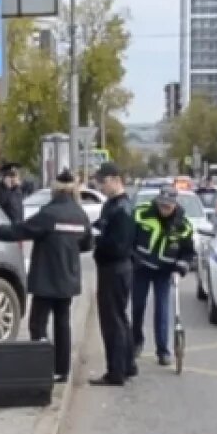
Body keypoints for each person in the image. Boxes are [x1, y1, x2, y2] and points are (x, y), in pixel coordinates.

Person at [0, 168, 93, 383]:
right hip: (67, 278)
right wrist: (68, 248)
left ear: (55, 191)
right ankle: (63, 370)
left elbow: (20, 231)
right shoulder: (80, 215)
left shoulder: (48, 214)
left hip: (46, 278)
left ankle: (41, 365)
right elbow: (87, 244)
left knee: (38, 323)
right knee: (63, 323)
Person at [131, 187, 195, 367]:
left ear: (175, 205)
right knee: (137, 307)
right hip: (140, 267)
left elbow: (188, 253)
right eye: (161, 205)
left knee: (162, 310)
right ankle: (136, 342)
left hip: (164, 272)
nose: (164, 209)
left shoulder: (183, 225)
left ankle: (163, 351)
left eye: (168, 206)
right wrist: (131, 258)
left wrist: (181, 267)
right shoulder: (141, 213)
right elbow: (129, 238)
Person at [90, 162, 137, 387]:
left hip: (115, 268)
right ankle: (127, 364)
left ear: (117, 180)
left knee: (112, 321)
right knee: (119, 317)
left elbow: (118, 245)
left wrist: (97, 240)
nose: (100, 185)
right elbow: (101, 226)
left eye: (104, 181)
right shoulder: (112, 205)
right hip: (113, 268)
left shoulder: (123, 209)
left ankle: (116, 371)